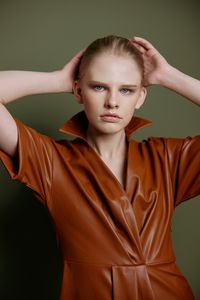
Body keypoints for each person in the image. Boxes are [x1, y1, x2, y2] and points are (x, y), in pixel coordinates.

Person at [0, 35, 199, 300]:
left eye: (126, 90)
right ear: (79, 91)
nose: (112, 102)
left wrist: (168, 76)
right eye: (98, 87)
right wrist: (57, 80)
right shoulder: (51, 161)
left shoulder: (167, 158)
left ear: (141, 97)